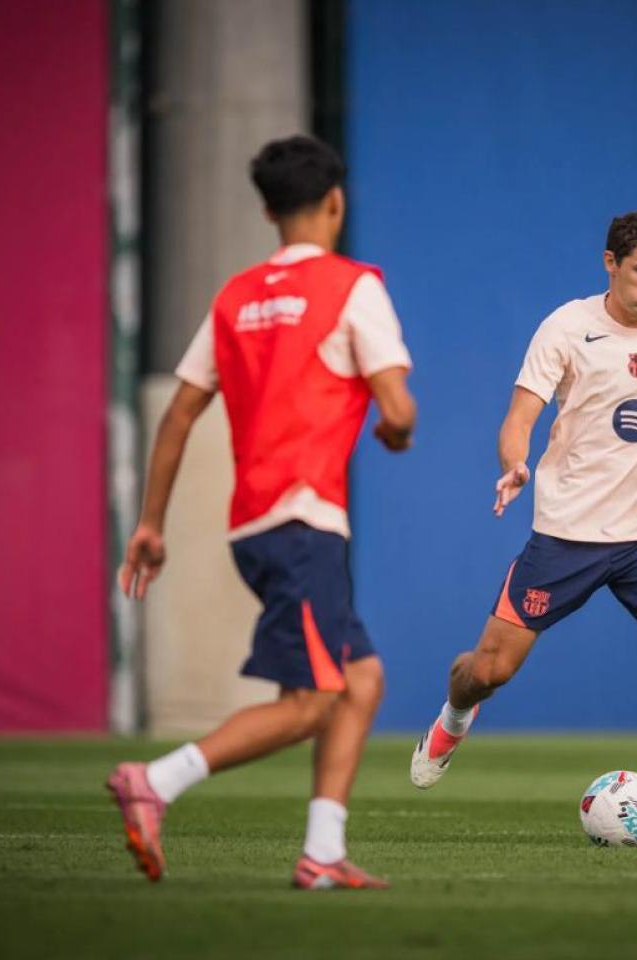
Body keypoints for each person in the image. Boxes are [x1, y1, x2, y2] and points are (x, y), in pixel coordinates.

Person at [107, 135, 417, 890]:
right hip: (305, 520)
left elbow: (179, 414)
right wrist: (395, 428)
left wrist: (151, 525)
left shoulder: (236, 297)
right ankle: (157, 781)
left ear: (269, 211)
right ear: (336, 202)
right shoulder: (353, 287)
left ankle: (322, 852)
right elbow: (399, 409)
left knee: (361, 679)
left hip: (253, 525)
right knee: (311, 703)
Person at [408, 210, 637, 848]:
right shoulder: (566, 326)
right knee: (489, 671)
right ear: (610, 263)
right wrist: (514, 464)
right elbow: (519, 417)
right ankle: (454, 715)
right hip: (568, 533)